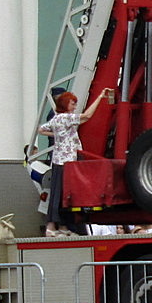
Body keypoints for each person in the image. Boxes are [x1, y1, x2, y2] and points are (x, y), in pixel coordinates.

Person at [37, 88, 109, 236]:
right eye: (72, 103)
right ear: (65, 104)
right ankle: (52, 227)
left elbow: (41, 129)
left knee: (59, 193)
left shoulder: (56, 118)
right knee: (64, 194)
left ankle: (61, 226)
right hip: (67, 161)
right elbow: (87, 116)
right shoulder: (65, 118)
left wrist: (57, 135)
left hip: (59, 161)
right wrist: (100, 96)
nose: (74, 107)